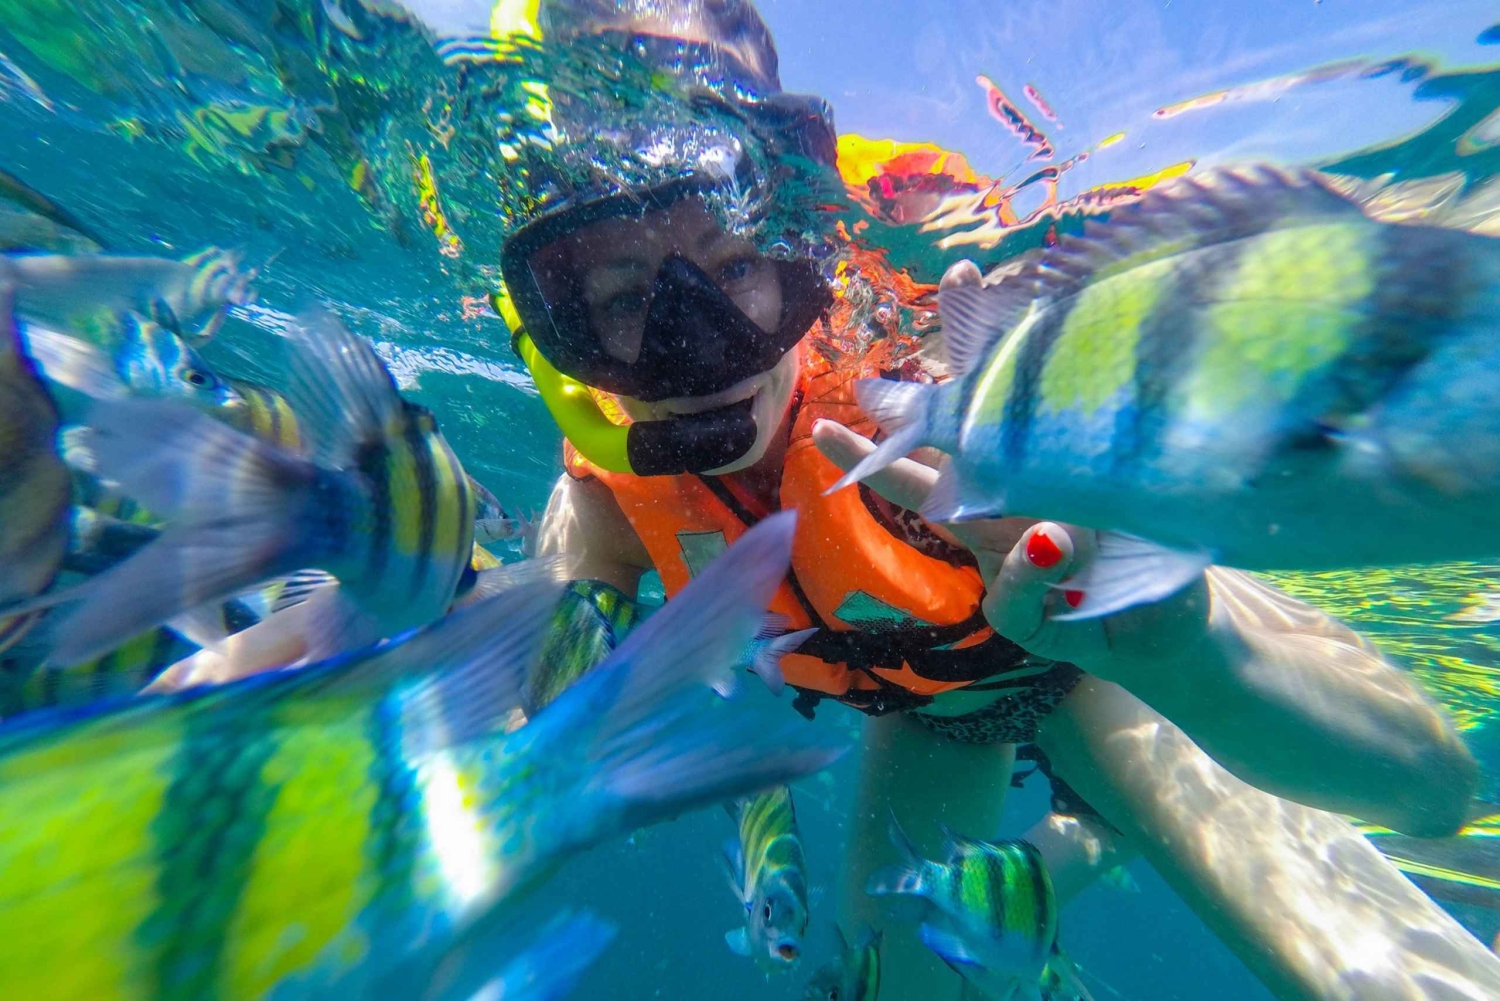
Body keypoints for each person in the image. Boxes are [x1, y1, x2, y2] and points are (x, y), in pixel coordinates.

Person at [488, 6, 1500, 999]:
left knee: (1354, 962)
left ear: (797, 236)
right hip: (944, 720)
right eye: (624, 300)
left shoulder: (929, 351)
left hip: (1089, 660)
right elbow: (539, 714)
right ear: (558, 320)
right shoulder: (609, 498)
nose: (694, 345)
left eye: (738, 266)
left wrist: (1171, 645)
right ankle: (1076, 847)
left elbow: (1429, 787)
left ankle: (1087, 826)